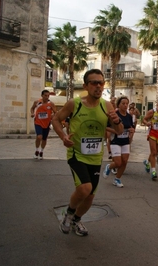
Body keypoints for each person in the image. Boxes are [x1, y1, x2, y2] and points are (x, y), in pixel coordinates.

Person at [52, 69, 123, 236]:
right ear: (85, 85)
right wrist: (63, 136)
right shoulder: (74, 104)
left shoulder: (107, 105)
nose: (98, 86)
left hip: (96, 157)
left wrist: (116, 120)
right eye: (94, 83)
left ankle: (76, 220)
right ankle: (68, 214)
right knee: (85, 188)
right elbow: (55, 119)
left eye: (101, 83)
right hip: (77, 154)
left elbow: (119, 131)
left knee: (90, 197)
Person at [103, 96, 135, 188]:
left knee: (124, 161)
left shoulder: (129, 116)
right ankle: (109, 167)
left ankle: (117, 179)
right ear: (119, 104)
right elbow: (106, 127)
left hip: (125, 141)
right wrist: (116, 131)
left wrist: (131, 131)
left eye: (126, 104)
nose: (125, 105)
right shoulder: (115, 115)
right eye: (123, 103)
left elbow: (131, 127)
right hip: (115, 140)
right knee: (118, 163)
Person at [142, 98, 158, 179]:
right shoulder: (152, 111)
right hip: (152, 134)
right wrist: (147, 123)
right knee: (153, 152)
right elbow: (144, 119)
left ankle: (147, 162)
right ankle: (153, 171)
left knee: (155, 152)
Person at [30, 89, 57, 160]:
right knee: (39, 137)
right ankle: (36, 150)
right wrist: (32, 113)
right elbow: (32, 108)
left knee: (44, 139)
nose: (47, 97)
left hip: (47, 123)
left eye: (48, 96)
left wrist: (52, 116)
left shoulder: (51, 104)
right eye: (45, 95)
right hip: (38, 122)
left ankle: (41, 151)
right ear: (42, 95)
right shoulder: (37, 102)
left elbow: (55, 112)